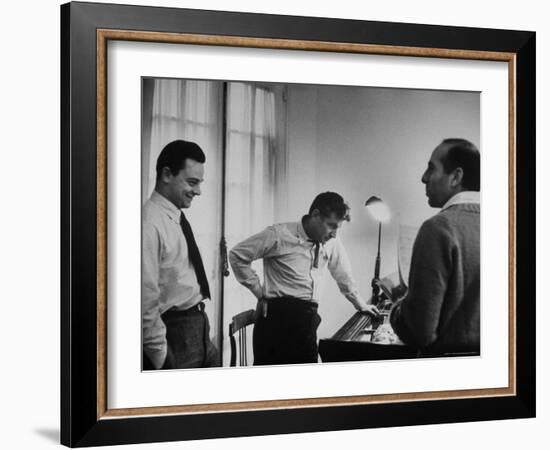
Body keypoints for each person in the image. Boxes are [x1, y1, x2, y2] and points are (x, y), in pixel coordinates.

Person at [229, 192, 380, 365]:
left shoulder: (331, 242)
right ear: (315, 215)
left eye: (338, 228)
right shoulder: (278, 234)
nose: (334, 234)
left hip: (306, 323)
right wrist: (259, 292)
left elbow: (343, 276)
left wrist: (360, 304)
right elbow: (237, 255)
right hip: (274, 324)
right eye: (331, 226)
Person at [390, 138, 480, 354]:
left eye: (431, 168)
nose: (424, 178)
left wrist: (398, 307)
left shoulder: (438, 228)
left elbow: (420, 331)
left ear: (456, 177)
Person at [142, 139, 219, 370]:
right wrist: (160, 356)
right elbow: (145, 299)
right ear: (167, 174)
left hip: (199, 328)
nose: (198, 191)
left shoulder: (174, 217)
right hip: (174, 337)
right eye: (192, 182)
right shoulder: (149, 223)